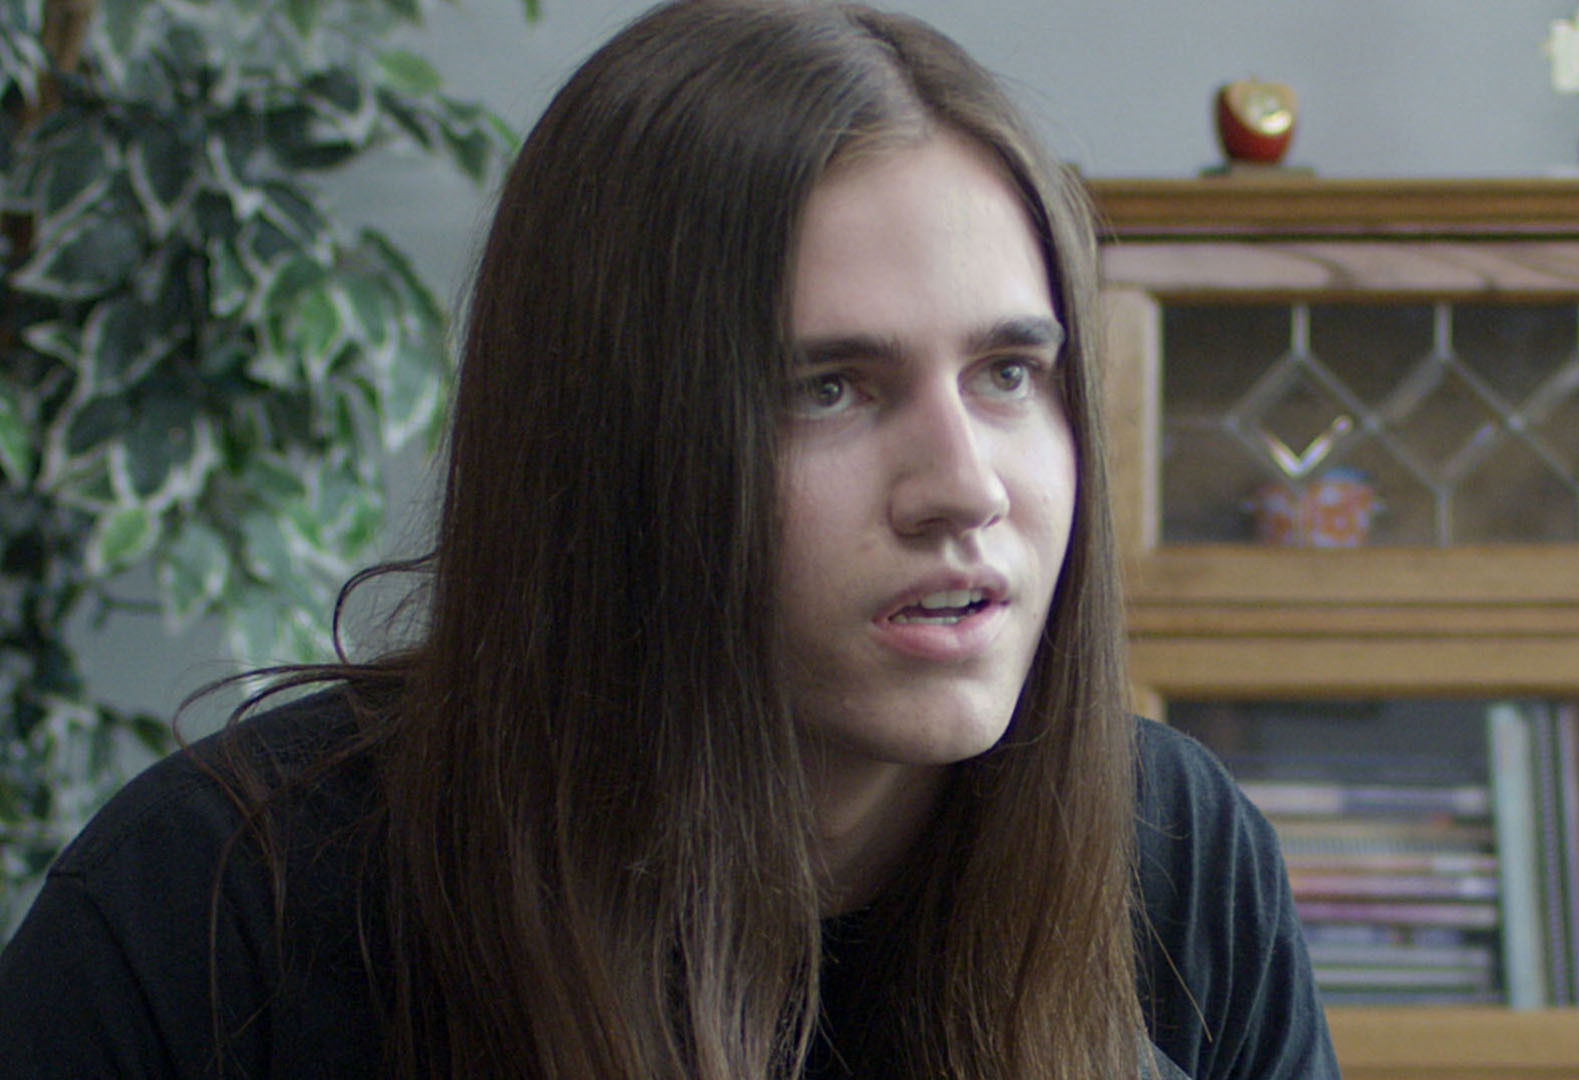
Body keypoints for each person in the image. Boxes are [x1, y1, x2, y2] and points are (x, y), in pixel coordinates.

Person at [0, 1, 1339, 1077]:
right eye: (829, 388)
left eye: (1007, 374)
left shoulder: (1173, 857)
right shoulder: (212, 910)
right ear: (608, 443)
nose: (963, 487)